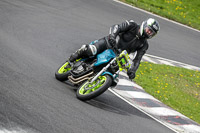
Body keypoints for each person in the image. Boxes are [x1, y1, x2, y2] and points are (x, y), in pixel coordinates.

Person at [69, 18, 160, 80]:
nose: (149, 32)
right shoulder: (132, 25)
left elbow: (137, 59)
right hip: (109, 43)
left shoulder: (144, 45)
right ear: (145, 25)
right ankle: (76, 54)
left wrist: (132, 71)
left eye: (151, 32)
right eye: (149, 29)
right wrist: (112, 36)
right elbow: (117, 27)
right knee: (91, 50)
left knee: (114, 78)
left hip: (118, 55)